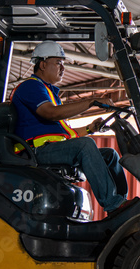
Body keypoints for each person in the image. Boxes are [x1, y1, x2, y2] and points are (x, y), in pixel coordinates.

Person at [10, 40, 128, 213]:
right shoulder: (31, 86)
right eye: (58, 63)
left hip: (52, 148)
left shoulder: (50, 93)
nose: (63, 68)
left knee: (109, 155)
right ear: (42, 64)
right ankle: (113, 204)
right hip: (36, 151)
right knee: (85, 145)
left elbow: (64, 134)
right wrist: (91, 102)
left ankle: (122, 202)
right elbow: (51, 113)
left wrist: (90, 128)